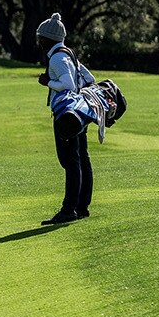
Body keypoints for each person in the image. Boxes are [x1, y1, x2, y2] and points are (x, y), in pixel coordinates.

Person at [35, 14, 99, 225]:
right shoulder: (68, 53)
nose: (38, 41)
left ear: (48, 39)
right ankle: (81, 207)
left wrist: (48, 82)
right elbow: (89, 78)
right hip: (79, 112)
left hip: (66, 114)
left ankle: (69, 209)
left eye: (40, 38)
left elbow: (69, 84)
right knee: (81, 158)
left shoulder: (57, 57)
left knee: (70, 161)